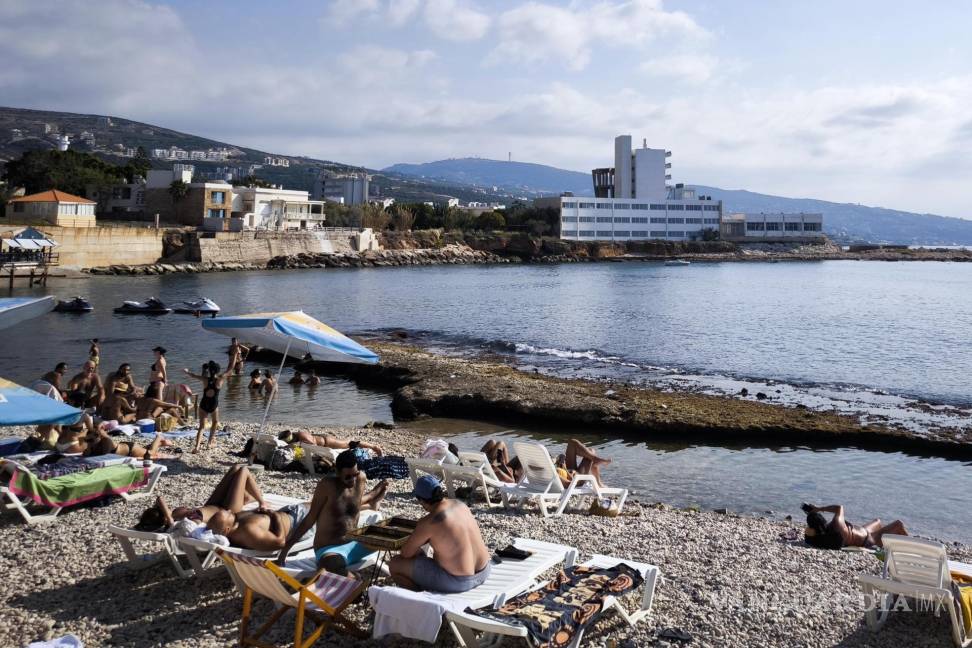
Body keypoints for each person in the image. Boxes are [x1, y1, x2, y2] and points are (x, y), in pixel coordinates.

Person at [276, 450, 388, 574]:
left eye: (355, 474)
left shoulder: (361, 478)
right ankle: (355, 585)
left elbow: (353, 503)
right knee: (334, 569)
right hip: (330, 549)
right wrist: (286, 549)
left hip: (355, 543)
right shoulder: (327, 486)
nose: (352, 480)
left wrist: (374, 493)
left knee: (401, 539)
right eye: (348, 477)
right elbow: (310, 518)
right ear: (337, 472)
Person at [389, 475, 492, 593]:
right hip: (484, 570)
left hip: (460, 582)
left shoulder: (430, 521)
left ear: (421, 501)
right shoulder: (460, 505)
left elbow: (406, 553)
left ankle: (420, 601)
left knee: (395, 564)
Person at [137, 465, 268, 531]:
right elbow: (198, 528)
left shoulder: (172, 515)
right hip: (227, 510)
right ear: (163, 519)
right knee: (243, 470)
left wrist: (169, 515)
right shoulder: (179, 524)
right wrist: (170, 521)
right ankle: (261, 501)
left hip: (213, 503)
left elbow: (159, 498)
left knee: (235, 468)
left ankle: (246, 498)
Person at [207, 501, 315, 551]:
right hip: (299, 523)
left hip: (290, 512)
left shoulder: (236, 522)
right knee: (326, 505)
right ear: (227, 529)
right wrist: (275, 516)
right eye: (228, 514)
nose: (229, 510)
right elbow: (280, 542)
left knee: (318, 502)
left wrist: (259, 510)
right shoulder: (248, 532)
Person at [803, 503, 908, 549]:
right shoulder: (836, 524)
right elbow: (839, 508)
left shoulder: (823, 534)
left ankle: (890, 541)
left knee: (878, 521)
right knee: (898, 524)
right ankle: (911, 544)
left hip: (863, 532)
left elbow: (809, 533)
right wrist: (819, 508)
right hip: (868, 539)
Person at [184, 360, 229, 453]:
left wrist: (187, 371)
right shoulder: (220, 379)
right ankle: (209, 443)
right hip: (213, 404)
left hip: (204, 403)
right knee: (215, 422)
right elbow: (230, 368)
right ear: (218, 371)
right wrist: (235, 355)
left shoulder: (205, 379)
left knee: (201, 427)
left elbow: (193, 375)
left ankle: (197, 447)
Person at [278, 430, 383, 456]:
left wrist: (300, 444)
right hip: (323, 441)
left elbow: (311, 443)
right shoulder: (296, 440)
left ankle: (374, 447)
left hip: (327, 441)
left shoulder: (301, 435)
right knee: (348, 443)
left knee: (349, 443)